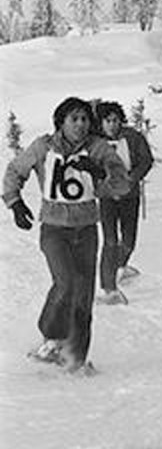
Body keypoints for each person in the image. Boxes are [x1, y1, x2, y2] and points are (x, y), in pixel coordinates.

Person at [3, 97, 130, 373]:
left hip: (86, 229)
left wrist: (101, 173)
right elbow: (15, 170)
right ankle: (51, 336)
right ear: (61, 121)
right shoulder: (44, 147)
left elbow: (122, 184)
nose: (81, 124)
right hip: (54, 229)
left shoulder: (98, 149)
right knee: (66, 283)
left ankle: (76, 358)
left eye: (85, 119)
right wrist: (15, 203)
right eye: (74, 119)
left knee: (84, 294)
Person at [94, 101, 154, 305]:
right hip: (107, 198)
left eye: (115, 120)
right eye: (107, 121)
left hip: (130, 195)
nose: (112, 125)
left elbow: (146, 160)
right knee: (110, 241)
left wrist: (132, 178)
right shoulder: (95, 142)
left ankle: (120, 266)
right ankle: (108, 288)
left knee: (129, 239)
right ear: (100, 123)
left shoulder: (133, 137)